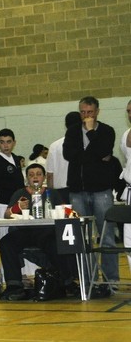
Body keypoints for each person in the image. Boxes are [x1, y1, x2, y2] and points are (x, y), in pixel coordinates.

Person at [64, 96, 118, 291]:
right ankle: (88, 280)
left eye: (89, 112)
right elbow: (68, 155)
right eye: (82, 112)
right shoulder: (72, 131)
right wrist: (95, 155)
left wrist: (91, 133)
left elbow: (104, 149)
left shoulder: (106, 131)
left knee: (107, 237)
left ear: (97, 112)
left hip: (101, 191)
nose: (86, 116)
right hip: (77, 191)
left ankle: (111, 280)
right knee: (83, 238)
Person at [0, 164, 75, 301]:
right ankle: (14, 285)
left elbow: (66, 210)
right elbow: (7, 214)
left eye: (38, 174)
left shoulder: (52, 193)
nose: (35, 177)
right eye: (31, 175)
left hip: (46, 231)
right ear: (27, 178)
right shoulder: (20, 193)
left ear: (43, 177)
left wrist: (72, 213)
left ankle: (66, 282)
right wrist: (17, 207)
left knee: (56, 243)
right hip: (24, 231)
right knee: (6, 243)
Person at [46, 112, 83, 204]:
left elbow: (50, 175)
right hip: (81, 189)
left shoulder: (54, 145)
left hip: (60, 192)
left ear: (66, 125)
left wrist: (50, 195)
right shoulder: (86, 143)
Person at [120, 99, 131, 251]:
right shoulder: (125, 135)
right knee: (129, 238)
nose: (130, 114)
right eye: (128, 111)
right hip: (130, 192)